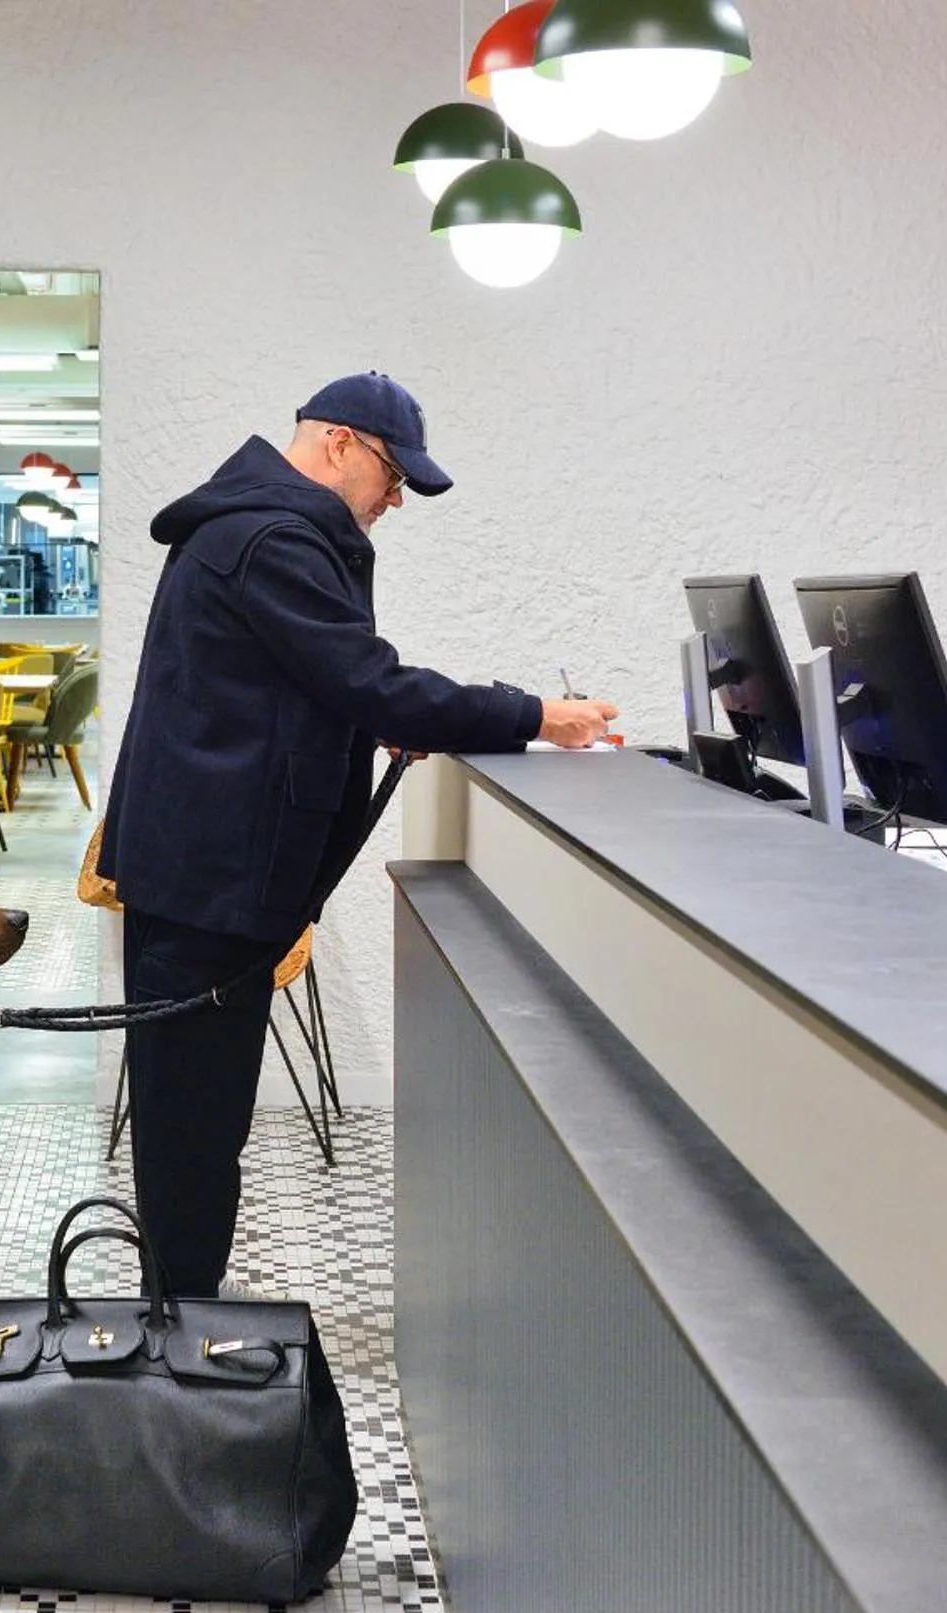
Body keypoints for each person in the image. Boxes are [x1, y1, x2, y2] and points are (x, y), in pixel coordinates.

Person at [96, 372, 619, 1298]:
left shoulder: (250, 525)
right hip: (211, 886)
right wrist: (537, 713)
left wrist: (376, 721)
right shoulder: (276, 537)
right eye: (392, 474)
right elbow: (364, 679)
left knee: (196, 1129)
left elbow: (295, 688)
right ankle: (172, 1358)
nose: (396, 501)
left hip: (205, 876)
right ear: (337, 442)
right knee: (192, 1139)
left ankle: (174, 1334)